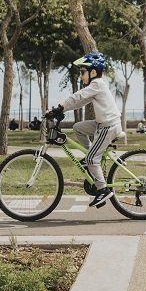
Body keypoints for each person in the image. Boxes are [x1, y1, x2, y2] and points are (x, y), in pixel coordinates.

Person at [47, 51, 122, 208]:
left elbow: (78, 96)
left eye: (82, 72)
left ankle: (103, 190)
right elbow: (80, 102)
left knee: (91, 159)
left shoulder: (97, 84)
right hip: (102, 124)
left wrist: (60, 106)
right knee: (78, 128)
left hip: (108, 127)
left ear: (93, 72)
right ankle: (90, 157)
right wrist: (61, 111)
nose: (81, 76)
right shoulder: (95, 87)